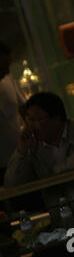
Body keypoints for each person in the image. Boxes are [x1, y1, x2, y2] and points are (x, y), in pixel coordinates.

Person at [4, 92, 74, 220]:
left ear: (56, 119)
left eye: (36, 120)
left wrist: (57, 171)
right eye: (28, 120)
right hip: (66, 223)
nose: (30, 126)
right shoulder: (33, 148)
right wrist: (21, 151)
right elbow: (12, 184)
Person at [0, 42, 26, 185]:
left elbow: (24, 107)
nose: (6, 70)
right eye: (3, 66)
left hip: (17, 154)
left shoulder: (7, 78)